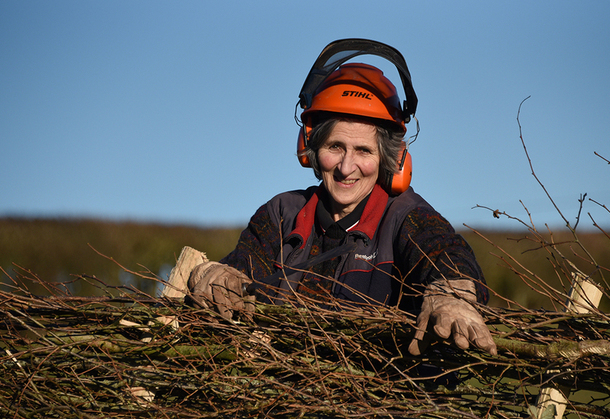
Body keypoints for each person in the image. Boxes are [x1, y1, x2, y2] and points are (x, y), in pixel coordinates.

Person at [187, 39, 496, 357]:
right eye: (335, 147)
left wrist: (450, 293)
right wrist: (220, 274)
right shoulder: (281, 214)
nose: (346, 167)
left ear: (391, 161)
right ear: (310, 149)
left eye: (363, 151)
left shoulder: (407, 216)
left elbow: (446, 253)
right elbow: (245, 263)